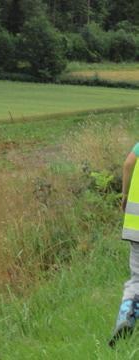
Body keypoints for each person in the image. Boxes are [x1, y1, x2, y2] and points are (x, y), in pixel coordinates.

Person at [109, 143, 139, 347]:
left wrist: (125, 196)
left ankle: (126, 312)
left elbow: (128, 162)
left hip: (135, 222)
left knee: (138, 277)